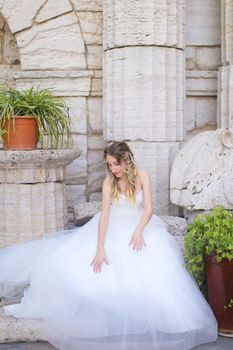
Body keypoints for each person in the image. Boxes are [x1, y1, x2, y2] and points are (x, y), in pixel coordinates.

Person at [0, 141, 217, 350]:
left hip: (140, 226)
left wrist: (139, 230)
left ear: (127, 160)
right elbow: (104, 217)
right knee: (89, 269)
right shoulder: (108, 183)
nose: (114, 169)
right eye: (110, 165)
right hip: (112, 228)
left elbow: (149, 208)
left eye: (116, 164)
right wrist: (100, 248)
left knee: (153, 266)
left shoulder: (143, 176)